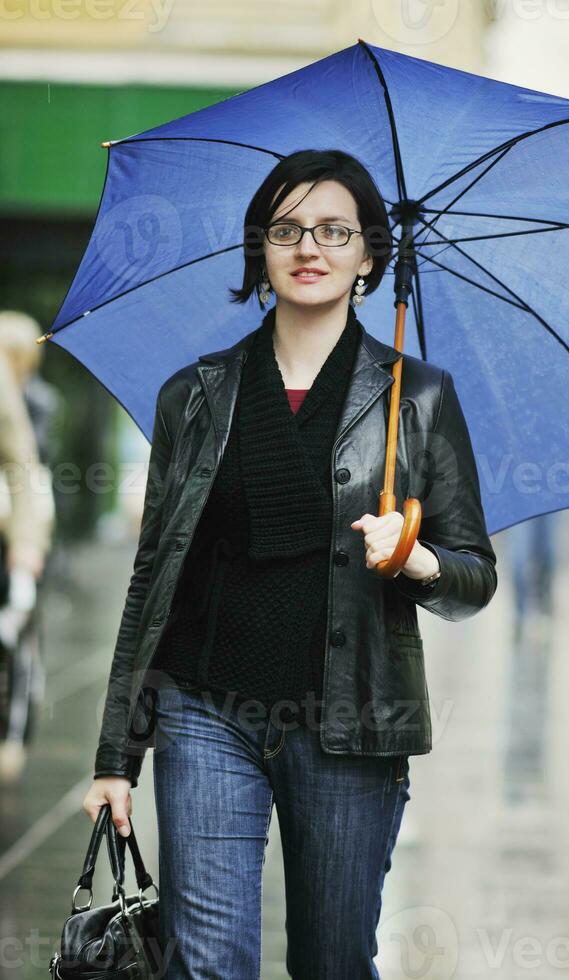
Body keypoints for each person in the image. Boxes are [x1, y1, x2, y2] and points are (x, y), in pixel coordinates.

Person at [83, 149, 498, 978]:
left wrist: (415, 562)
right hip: (206, 711)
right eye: (287, 229)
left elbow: (474, 577)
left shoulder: (418, 397)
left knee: (332, 960)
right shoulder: (193, 394)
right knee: (206, 963)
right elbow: (154, 579)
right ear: (261, 251)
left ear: (369, 256)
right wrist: (114, 759)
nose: (310, 246)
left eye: (335, 230)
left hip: (350, 726)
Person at [0, 310, 56, 780]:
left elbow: (27, 469)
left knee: (19, 633)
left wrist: (27, 545)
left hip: (17, 533)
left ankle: (14, 732)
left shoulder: (34, 401)